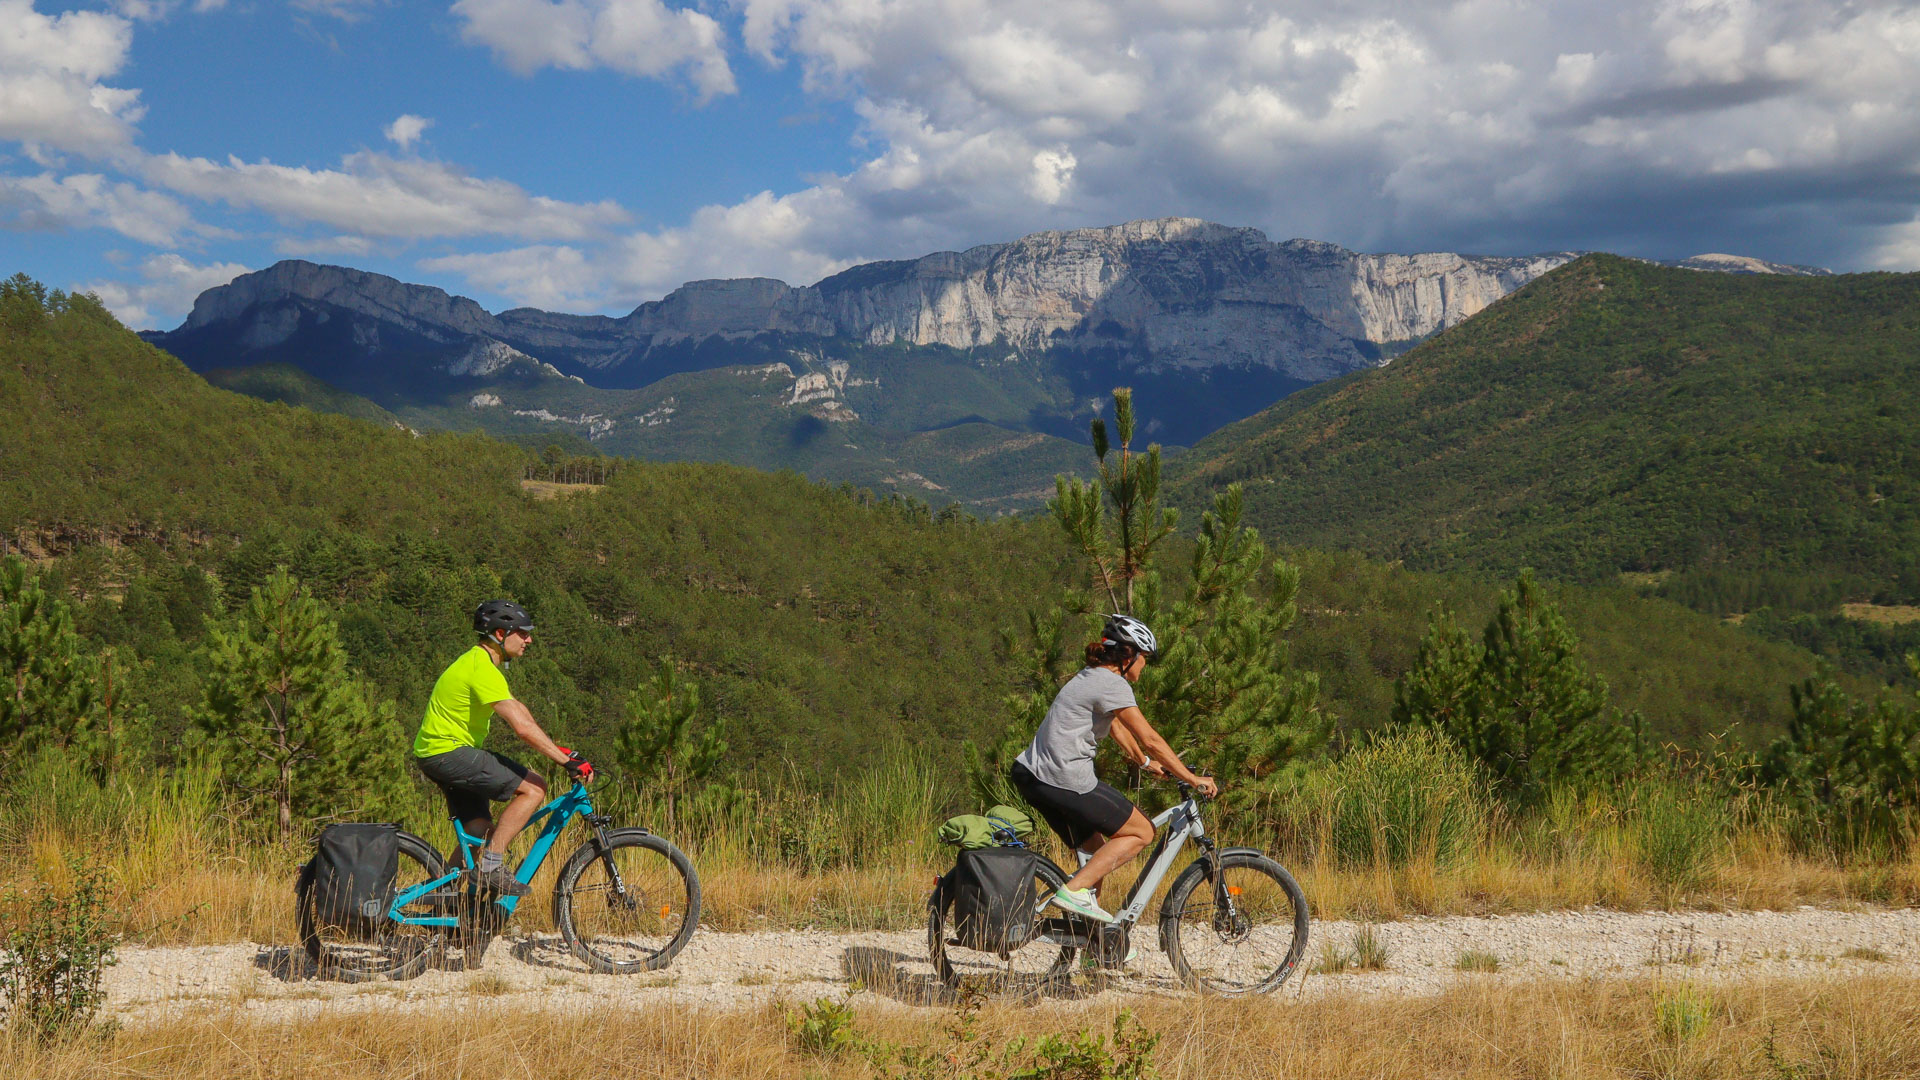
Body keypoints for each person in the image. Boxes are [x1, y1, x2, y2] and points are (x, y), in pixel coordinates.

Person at [1010, 614, 1217, 925]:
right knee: (1142, 831)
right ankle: (1073, 891)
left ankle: (1093, 944)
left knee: (1096, 856)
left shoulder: (1091, 676)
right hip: (1063, 778)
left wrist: (1146, 764)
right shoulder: (1111, 683)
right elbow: (1150, 738)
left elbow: (1117, 725)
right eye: (1144, 658)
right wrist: (1192, 778)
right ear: (1128, 655)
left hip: (1032, 775)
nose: (1144, 666)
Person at [412, 599, 593, 896]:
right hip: (447, 752)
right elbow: (521, 729)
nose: (529, 639)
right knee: (534, 788)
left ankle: (444, 902)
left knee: (477, 833)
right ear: (499, 634)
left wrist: (561, 750)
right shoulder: (480, 668)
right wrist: (565, 762)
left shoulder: (479, 663)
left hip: (436, 753)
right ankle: (492, 867)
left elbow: (520, 712)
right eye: (522, 633)